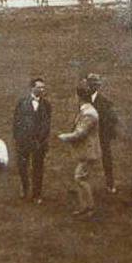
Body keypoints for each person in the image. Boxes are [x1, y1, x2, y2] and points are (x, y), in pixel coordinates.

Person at [58, 81, 101, 218]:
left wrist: (64, 137)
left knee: (80, 178)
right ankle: (85, 207)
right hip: (86, 151)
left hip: (89, 152)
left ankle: (89, 208)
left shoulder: (89, 113)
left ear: (79, 97)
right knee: (80, 178)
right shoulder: (86, 110)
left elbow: (80, 133)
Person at [12, 78, 52, 203]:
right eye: (39, 87)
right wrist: (18, 138)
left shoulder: (46, 105)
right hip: (23, 142)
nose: (42, 90)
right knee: (22, 167)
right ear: (32, 88)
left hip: (38, 143)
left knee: (38, 169)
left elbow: (46, 125)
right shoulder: (22, 103)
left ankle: (37, 194)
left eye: (43, 88)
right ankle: (25, 189)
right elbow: (16, 122)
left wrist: (39, 140)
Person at [86, 73, 118, 194]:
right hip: (88, 136)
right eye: (91, 83)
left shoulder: (105, 102)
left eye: (95, 83)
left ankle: (110, 184)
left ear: (98, 86)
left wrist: (107, 135)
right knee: (86, 160)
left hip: (102, 136)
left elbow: (112, 120)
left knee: (106, 159)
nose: (92, 85)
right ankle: (85, 184)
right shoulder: (84, 99)